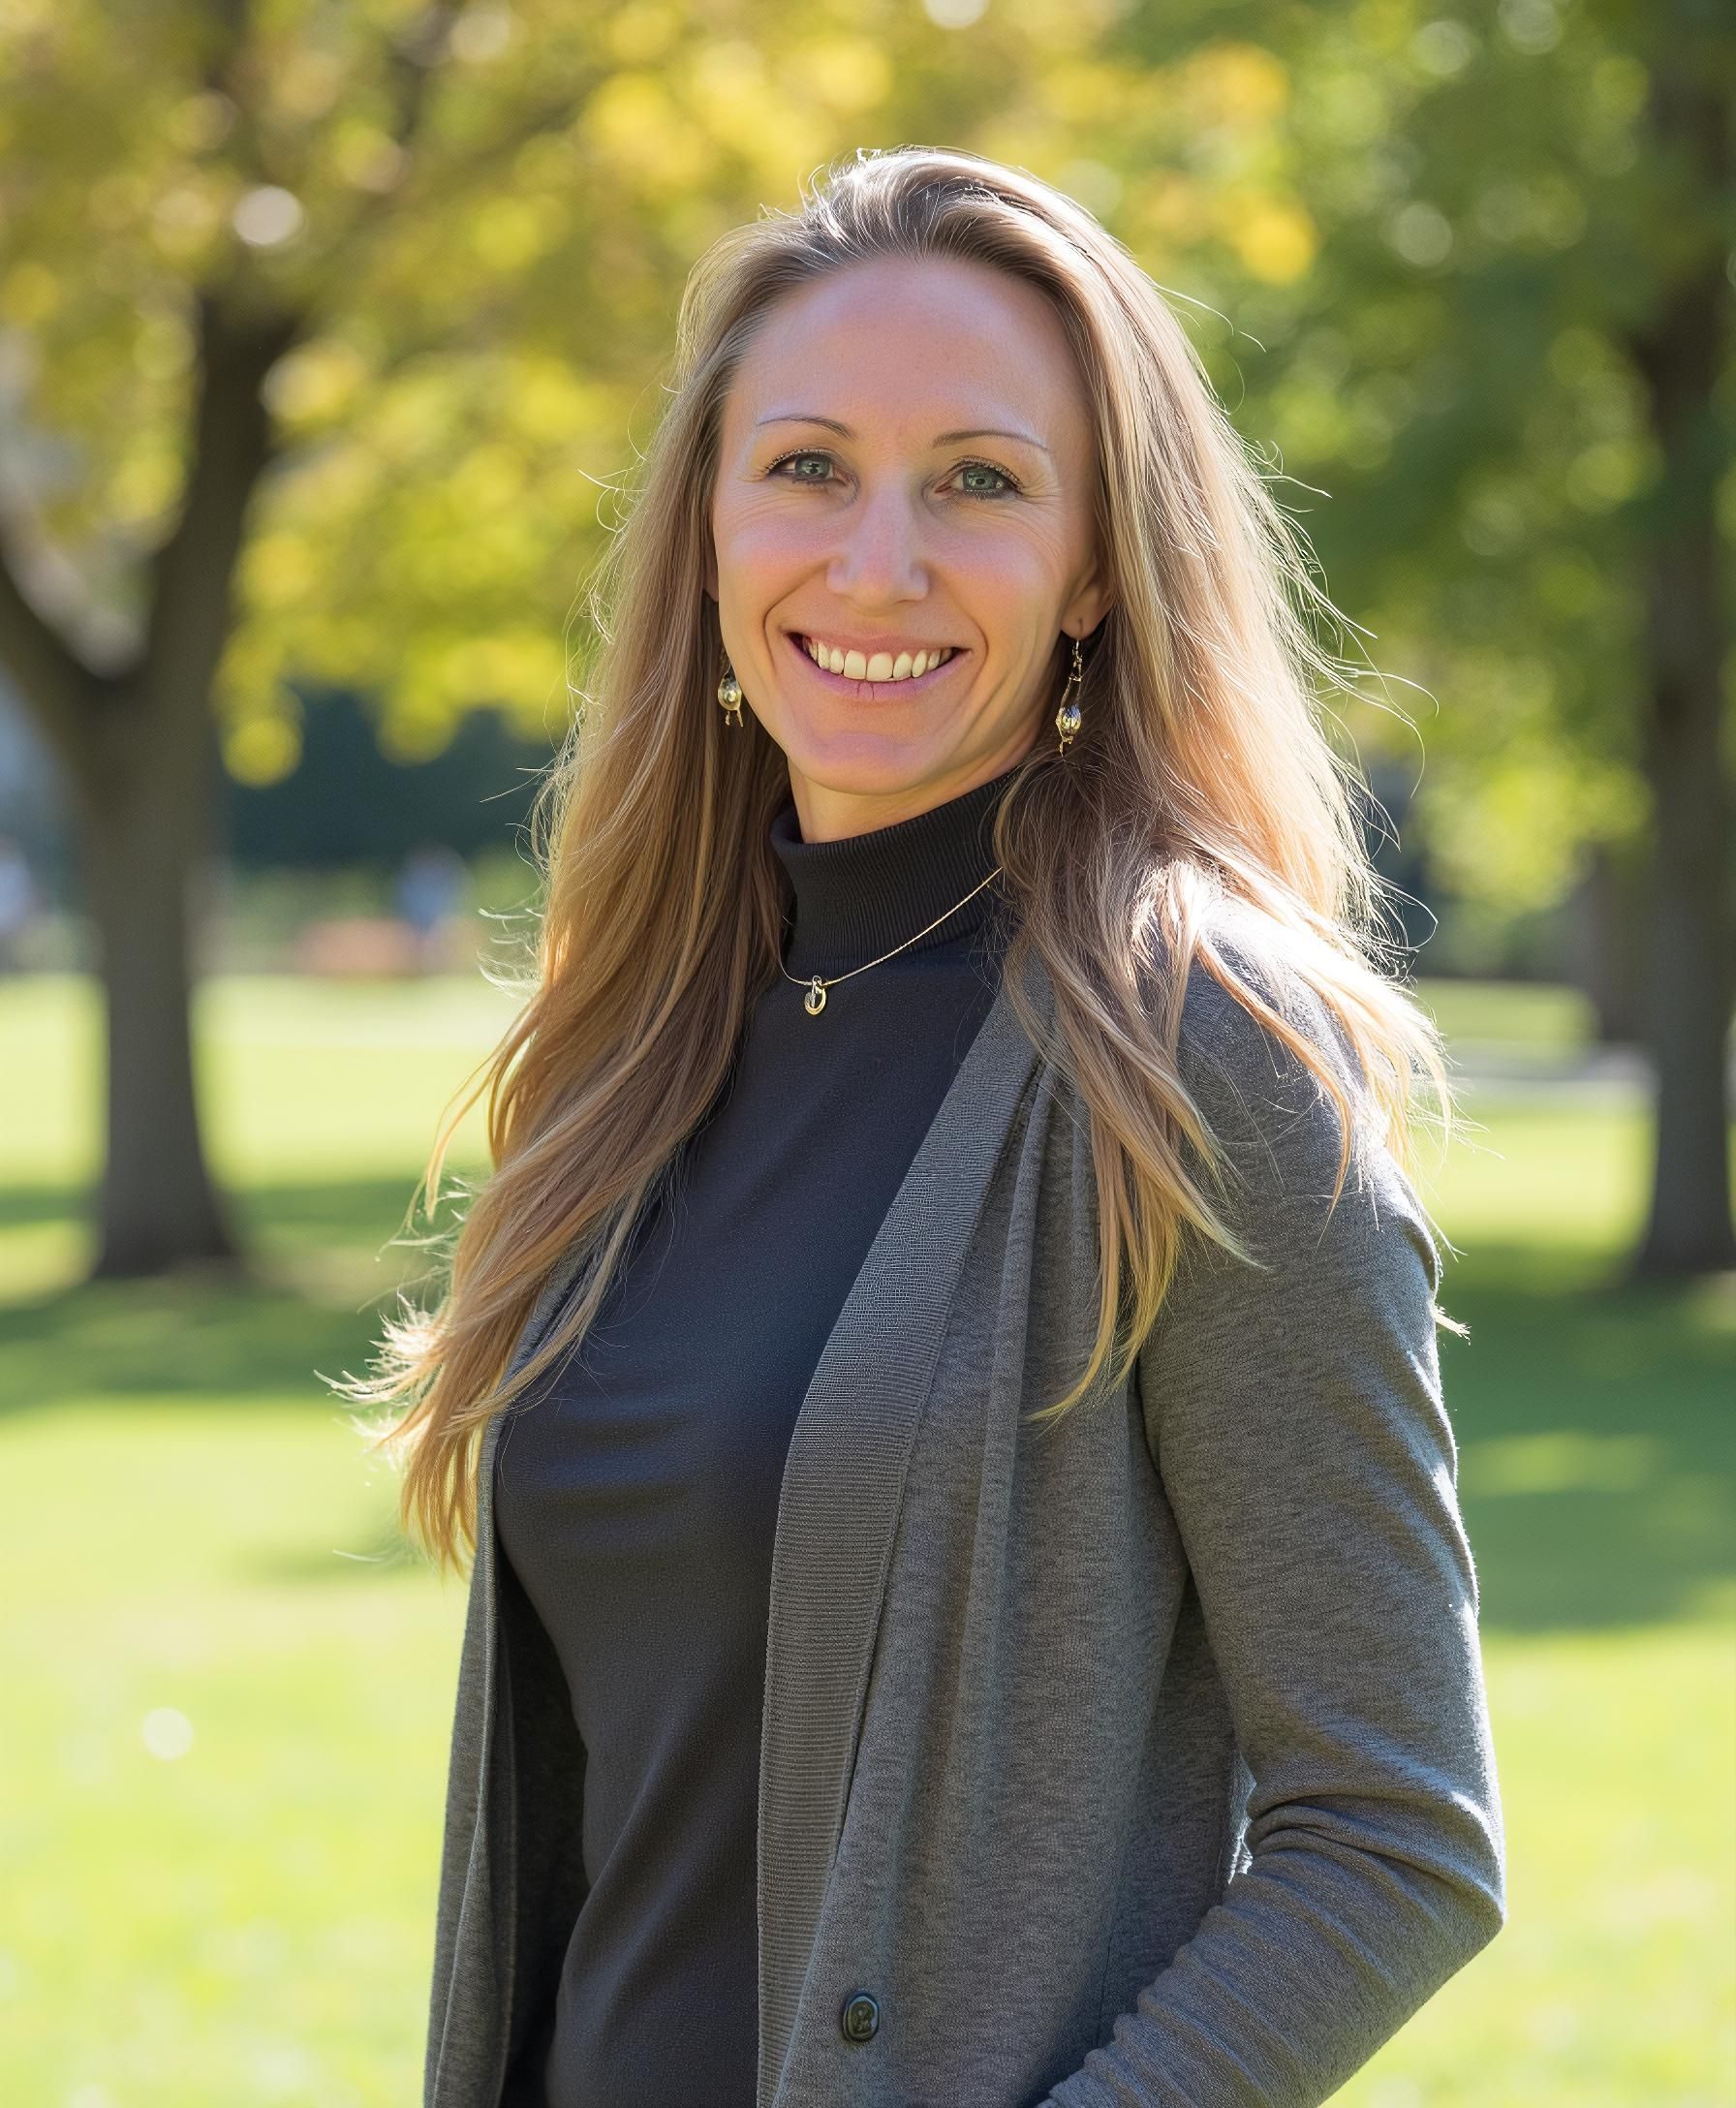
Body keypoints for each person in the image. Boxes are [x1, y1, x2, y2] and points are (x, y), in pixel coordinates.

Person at [340, 146, 1505, 2108]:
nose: (875, 560)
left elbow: (1393, 1834)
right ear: (706, 527)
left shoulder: (1198, 1051)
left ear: (1095, 564)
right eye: (805, 467)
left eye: (977, 480)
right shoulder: (630, 1044)